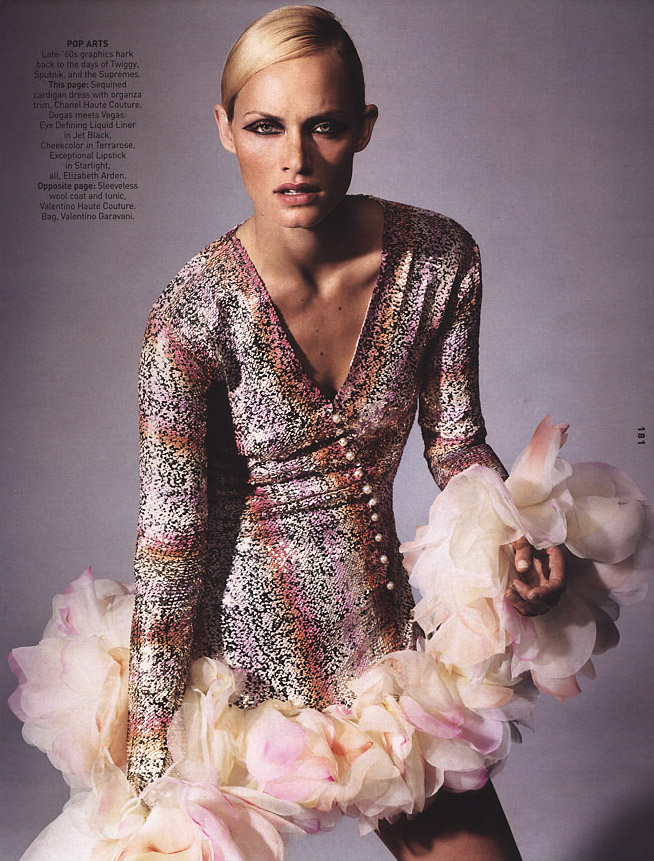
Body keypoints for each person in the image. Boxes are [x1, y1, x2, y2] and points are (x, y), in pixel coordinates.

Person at [125, 6, 566, 860]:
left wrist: (513, 539)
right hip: (229, 685)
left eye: (323, 125)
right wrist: (151, 763)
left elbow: (457, 442)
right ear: (225, 130)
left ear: (364, 126)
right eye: (266, 127)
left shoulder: (438, 262)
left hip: (380, 669)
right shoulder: (191, 317)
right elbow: (168, 543)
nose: (296, 158)